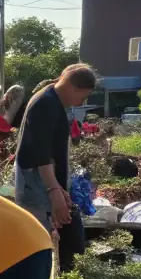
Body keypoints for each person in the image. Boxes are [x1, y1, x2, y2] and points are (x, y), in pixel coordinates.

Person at [14, 64, 98, 236]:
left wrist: (60, 189)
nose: (83, 101)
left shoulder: (53, 99)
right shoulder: (46, 104)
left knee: (49, 231)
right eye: (85, 95)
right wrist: (54, 190)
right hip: (35, 180)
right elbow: (42, 156)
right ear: (73, 88)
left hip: (41, 179)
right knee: (38, 233)